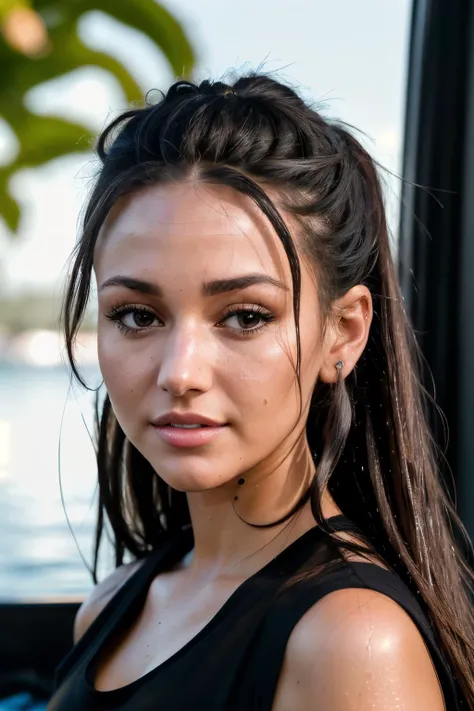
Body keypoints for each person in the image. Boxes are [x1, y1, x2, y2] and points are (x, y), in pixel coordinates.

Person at [47, 74, 474, 711]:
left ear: (343, 333)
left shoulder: (350, 643)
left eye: (245, 316)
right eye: (137, 315)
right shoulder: (113, 605)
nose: (180, 372)